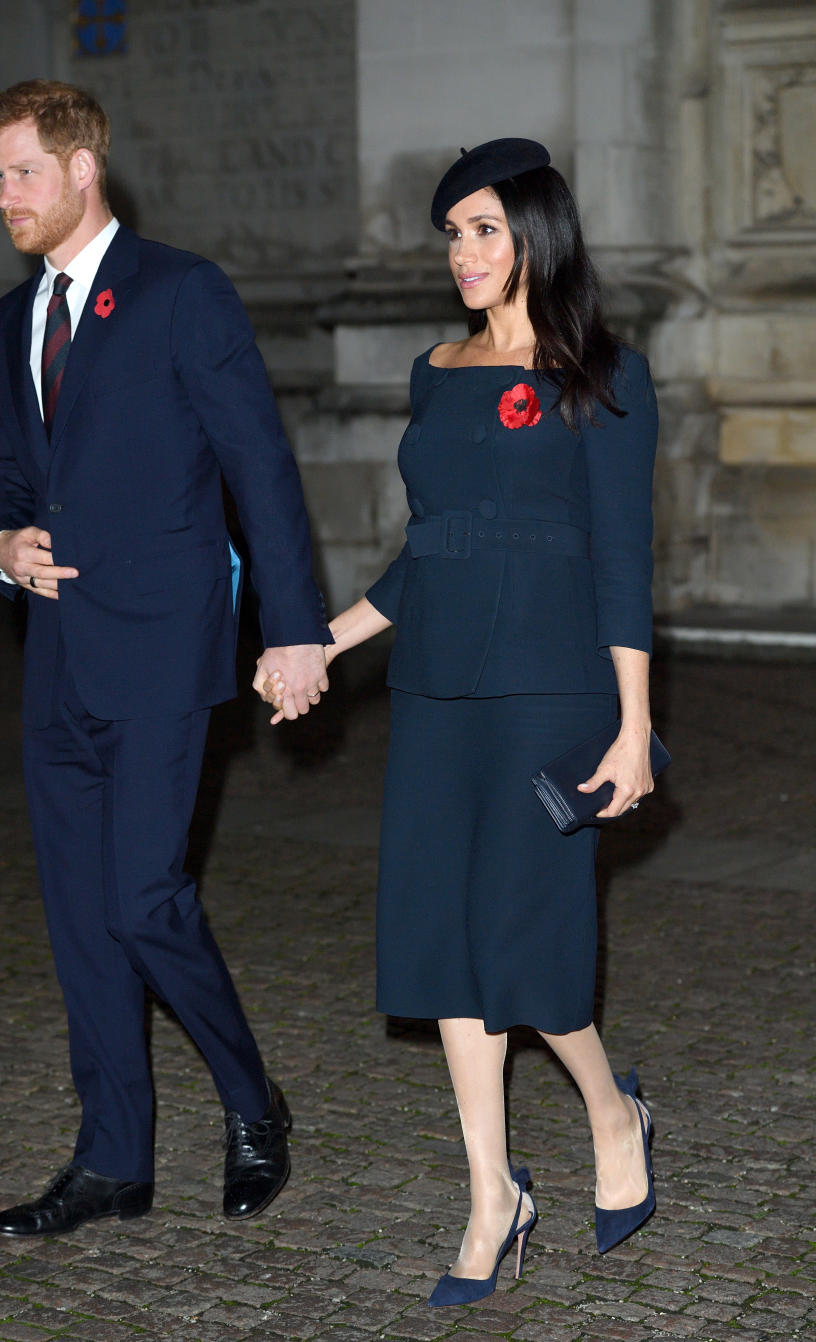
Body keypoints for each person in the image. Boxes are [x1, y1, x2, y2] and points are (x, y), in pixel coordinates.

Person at [262, 139, 659, 1304]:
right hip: (438, 690)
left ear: (537, 233)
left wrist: (634, 728)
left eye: (485, 228)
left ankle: (610, 1110)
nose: (464, 253)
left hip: (557, 690)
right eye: (451, 233)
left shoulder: (604, 372)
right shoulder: (435, 370)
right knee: (445, 937)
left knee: (528, 945)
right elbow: (426, 554)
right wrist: (319, 642)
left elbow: (622, 565)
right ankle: (494, 1194)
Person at [0, 79, 331, 1236]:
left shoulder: (183, 293)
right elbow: (11, 471)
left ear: (84, 169)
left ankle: (251, 1101)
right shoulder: (5, 322)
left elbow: (259, 467)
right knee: (82, 921)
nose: (6, 197)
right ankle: (114, 1158)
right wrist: (0, 537)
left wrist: (293, 627)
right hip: (57, 662)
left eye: (22, 172)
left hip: (166, 658)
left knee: (142, 902)